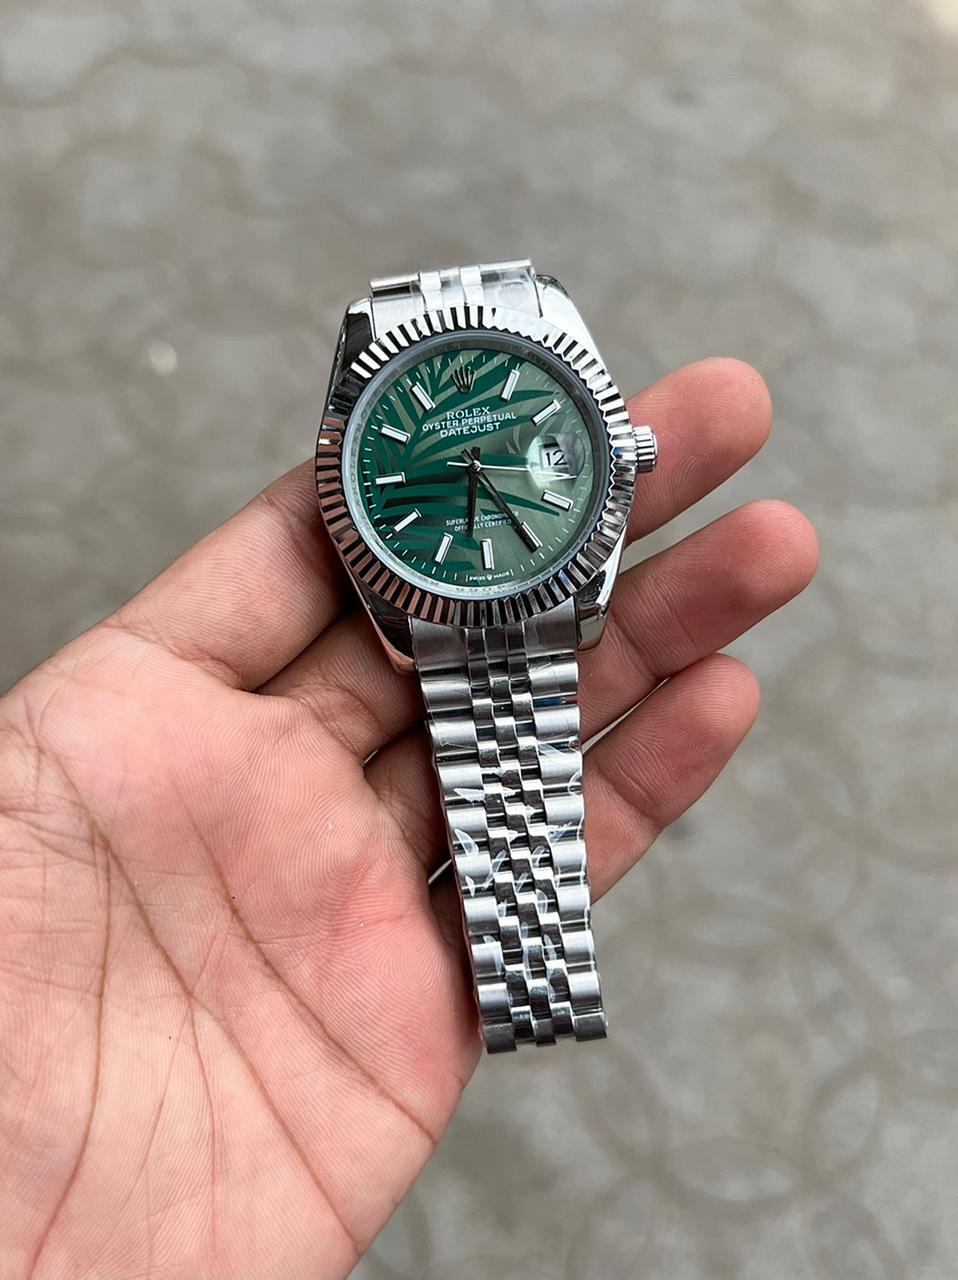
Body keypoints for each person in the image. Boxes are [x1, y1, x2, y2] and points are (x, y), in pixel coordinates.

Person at [0, 358, 817, 1278]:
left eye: (491, 453)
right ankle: (532, 981)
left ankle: (534, 980)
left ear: (622, 453)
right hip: (470, 593)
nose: (474, 463)